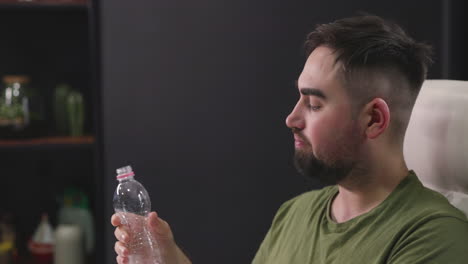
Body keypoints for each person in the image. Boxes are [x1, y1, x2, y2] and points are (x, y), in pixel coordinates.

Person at [111, 15, 468, 264]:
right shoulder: (295, 215)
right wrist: (169, 258)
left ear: (374, 119)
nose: (291, 118)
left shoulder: (435, 238)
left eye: (313, 103)